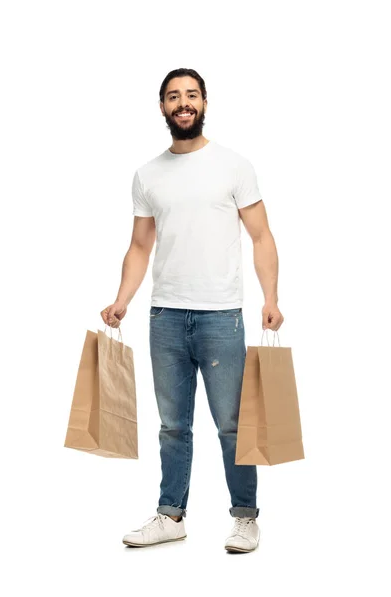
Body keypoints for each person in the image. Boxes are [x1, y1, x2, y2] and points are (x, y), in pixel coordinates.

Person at [100, 68, 284, 553]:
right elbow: (140, 247)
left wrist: (271, 299)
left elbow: (262, 236)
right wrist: (122, 300)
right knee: (173, 426)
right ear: (162, 107)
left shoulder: (234, 166)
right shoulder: (147, 174)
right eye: (174, 96)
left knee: (232, 425)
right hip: (164, 317)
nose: (184, 103)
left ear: (204, 103)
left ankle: (245, 518)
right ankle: (170, 515)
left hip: (221, 316)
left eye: (192, 95)